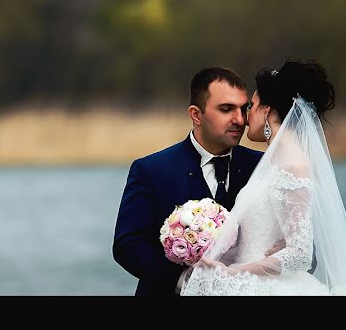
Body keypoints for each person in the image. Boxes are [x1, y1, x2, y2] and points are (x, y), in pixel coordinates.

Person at [180, 59, 346, 296]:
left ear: (266, 110)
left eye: (252, 106)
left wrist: (233, 274)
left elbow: (300, 254)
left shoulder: (293, 164)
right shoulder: (271, 162)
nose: (244, 117)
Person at [113, 67, 266, 296]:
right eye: (226, 109)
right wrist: (184, 281)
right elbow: (128, 245)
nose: (239, 119)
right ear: (196, 114)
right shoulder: (151, 170)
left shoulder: (263, 167)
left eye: (243, 109)